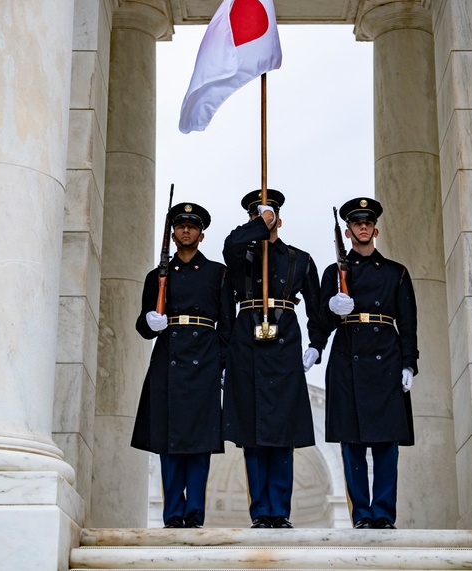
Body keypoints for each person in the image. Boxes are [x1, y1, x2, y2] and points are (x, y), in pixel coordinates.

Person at [221, 189, 327, 529]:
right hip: (246, 344)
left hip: (283, 343)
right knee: (252, 434)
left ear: (279, 220)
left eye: (268, 217)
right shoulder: (241, 256)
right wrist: (257, 227)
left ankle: (279, 511)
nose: (264, 222)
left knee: (283, 432)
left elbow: (317, 307)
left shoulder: (300, 259)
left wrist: (317, 343)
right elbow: (230, 244)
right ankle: (259, 512)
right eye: (256, 217)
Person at [131, 202, 234, 528]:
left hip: (203, 360)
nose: (185, 230)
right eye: (180, 226)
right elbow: (144, 327)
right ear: (173, 234)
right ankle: (173, 514)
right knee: (169, 440)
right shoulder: (157, 276)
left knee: (200, 441)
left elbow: (228, 326)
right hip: (169, 361)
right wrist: (151, 320)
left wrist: (220, 364)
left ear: (201, 234)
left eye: (192, 226)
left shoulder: (218, 273)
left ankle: (195, 514)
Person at [319, 197, 417, 530]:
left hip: (386, 360)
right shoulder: (334, 273)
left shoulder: (396, 273)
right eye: (357, 223)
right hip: (348, 361)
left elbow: (407, 322)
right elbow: (320, 322)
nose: (363, 227)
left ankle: (384, 513)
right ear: (347, 232)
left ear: (376, 229)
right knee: (353, 444)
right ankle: (361, 513)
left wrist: (408, 363)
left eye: (368, 222)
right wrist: (333, 309)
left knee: (387, 444)